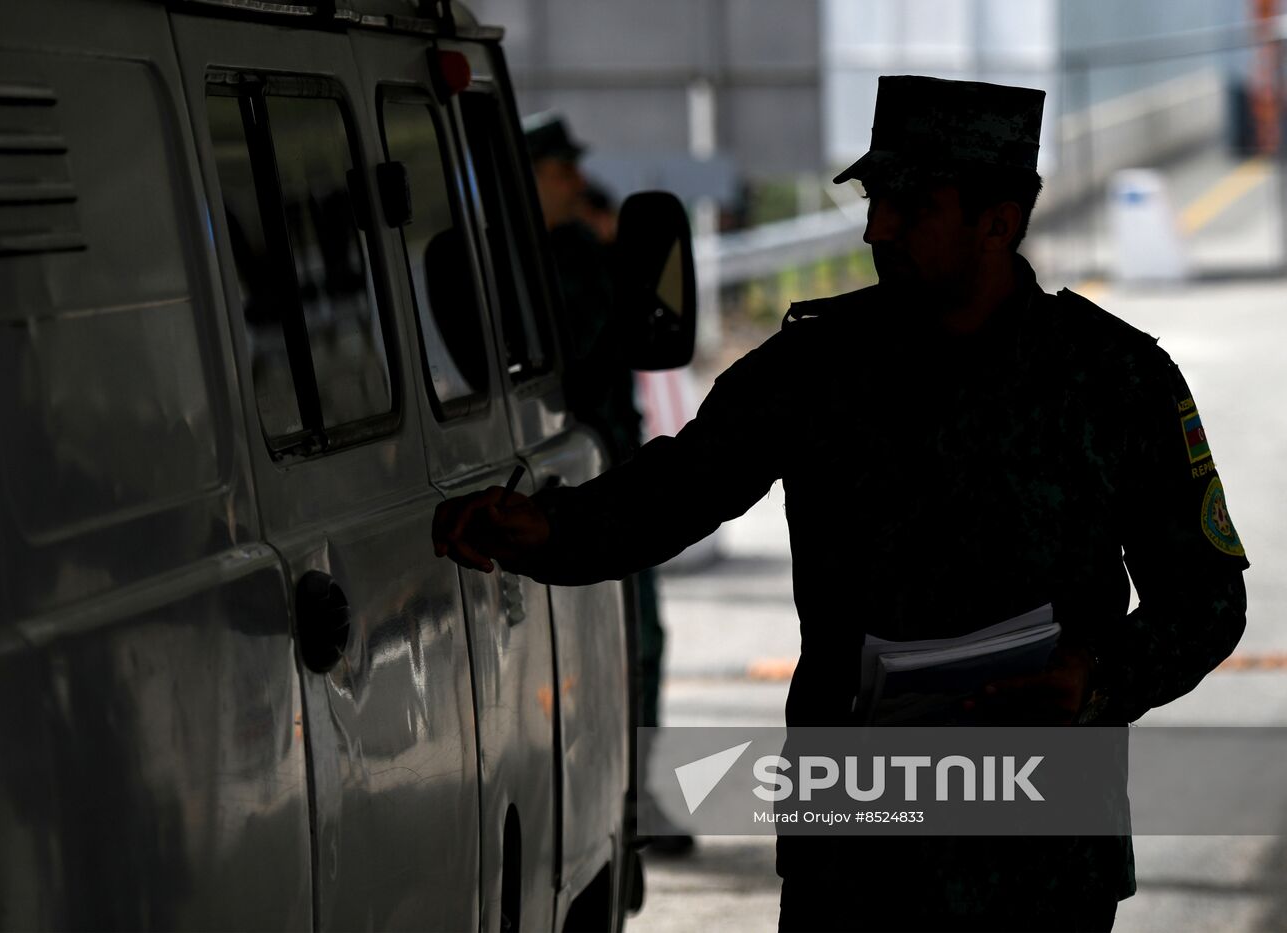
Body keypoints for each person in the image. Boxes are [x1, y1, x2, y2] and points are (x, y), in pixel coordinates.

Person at [440, 77, 1249, 930]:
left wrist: (1097, 678)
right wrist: (550, 527)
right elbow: (680, 486)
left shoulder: (1114, 380)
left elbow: (1207, 597)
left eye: (910, 204)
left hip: (1039, 857)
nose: (876, 227)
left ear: (998, 222)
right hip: (858, 856)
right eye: (874, 199)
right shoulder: (818, 366)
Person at [522, 113, 693, 854]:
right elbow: (586, 337)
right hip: (573, 486)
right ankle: (624, 796)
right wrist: (596, 252)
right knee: (626, 645)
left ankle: (630, 790)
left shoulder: (561, 253)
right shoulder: (548, 261)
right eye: (560, 171)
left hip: (601, 477)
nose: (575, 183)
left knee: (638, 644)